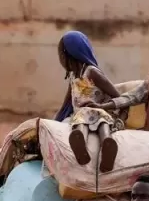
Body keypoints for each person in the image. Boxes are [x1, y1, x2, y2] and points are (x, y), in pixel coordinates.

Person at [53, 31, 124, 173]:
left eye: (61, 55)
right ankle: (81, 149)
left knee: (98, 123)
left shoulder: (92, 73)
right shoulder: (74, 77)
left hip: (99, 111)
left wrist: (105, 108)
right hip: (81, 115)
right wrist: (54, 122)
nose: (60, 60)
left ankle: (107, 148)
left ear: (70, 54)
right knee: (80, 120)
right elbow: (67, 103)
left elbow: (118, 96)